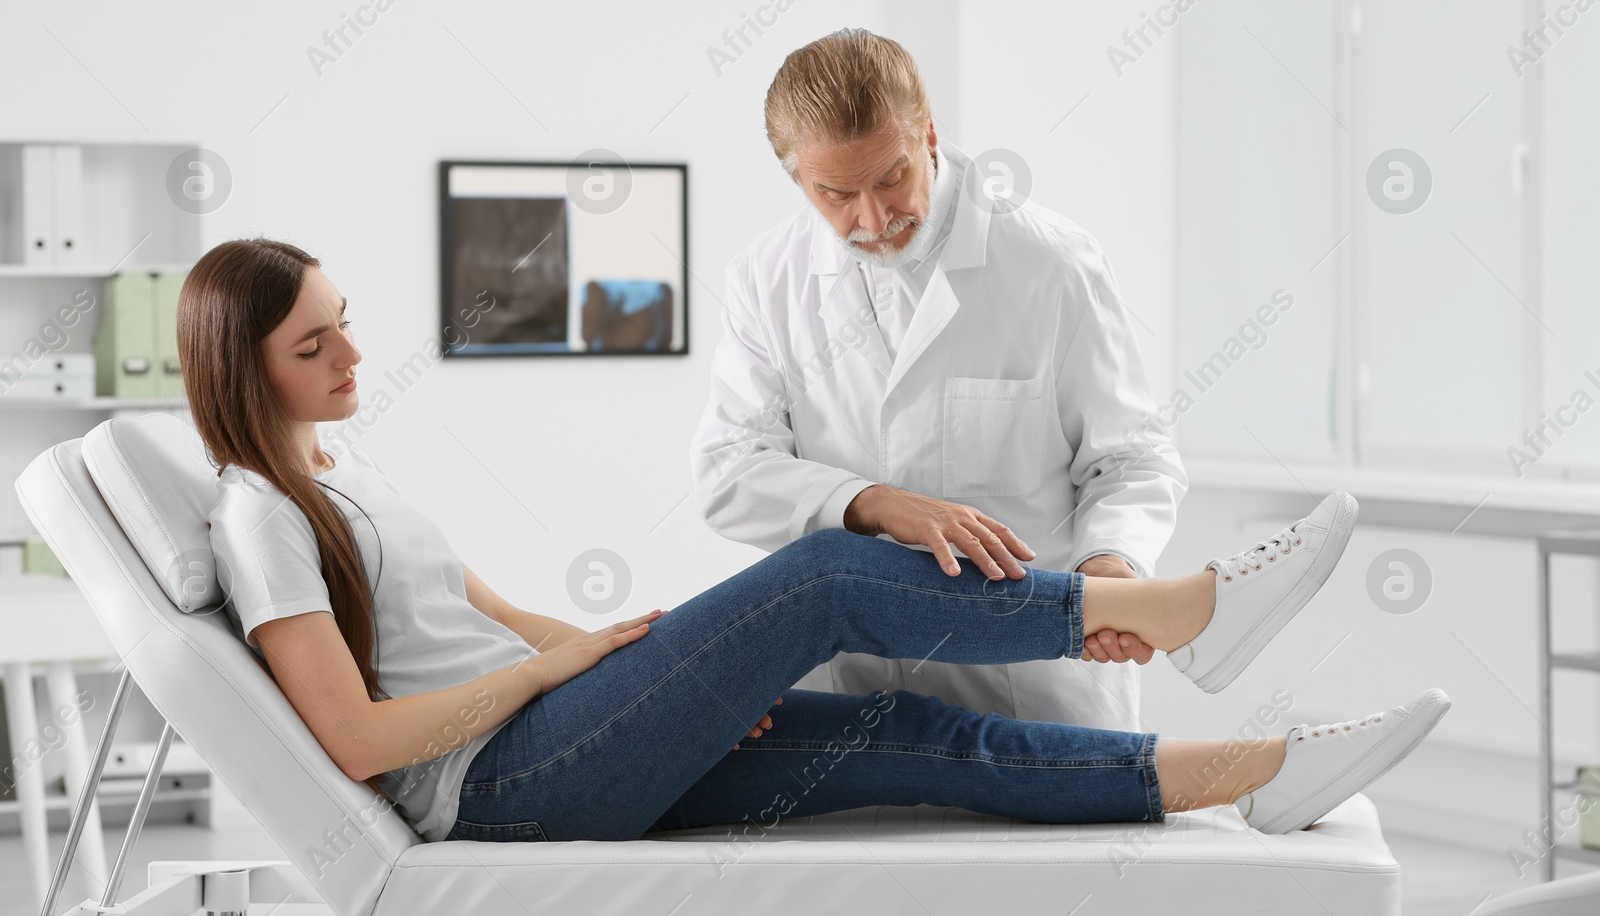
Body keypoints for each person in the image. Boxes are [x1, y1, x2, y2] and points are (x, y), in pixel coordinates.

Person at [185, 237, 1448, 845]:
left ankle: (1245, 773)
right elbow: (353, 737)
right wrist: (550, 680)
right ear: (240, 372)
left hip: (563, 728)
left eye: (345, 322)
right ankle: (1183, 615)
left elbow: (497, 609)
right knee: (830, 569)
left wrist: (650, 678)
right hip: (500, 780)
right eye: (315, 346)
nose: (354, 354)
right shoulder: (260, 513)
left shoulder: (346, 480)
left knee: (908, 734)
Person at [691, 28, 1186, 733]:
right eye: (837, 193)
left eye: (891, 175)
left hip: (1030, 685)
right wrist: (872, 503)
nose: (874, 217)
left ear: (925, 132)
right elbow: (728, 472)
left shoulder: (1052, 264)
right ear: (797, 180)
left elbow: (1130, 459)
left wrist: (1110, 564)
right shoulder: (765, 280)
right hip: (847, 683)